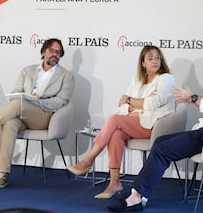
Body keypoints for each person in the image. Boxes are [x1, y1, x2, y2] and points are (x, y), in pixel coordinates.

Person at [107, 37, 203, 212]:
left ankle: (136, 198)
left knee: (161, 150)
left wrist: (194, 98)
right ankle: (137, 192)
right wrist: (193, 100)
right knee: (160, 142)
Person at [0, 38, 74, 188]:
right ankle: (2, 174)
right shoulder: (27, 70)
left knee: (19, 104)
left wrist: (39, 101)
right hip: (22, 112)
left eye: (58, 52)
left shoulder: (66, 76)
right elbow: (16, 92)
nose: (55, 54)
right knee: (9, 123)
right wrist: (24, 98)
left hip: (44, 116)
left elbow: (62, 101)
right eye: (52, 50)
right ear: (43, 52)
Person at [67, 45, 176, 199]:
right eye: (150, 58)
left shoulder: (166, 79)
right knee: (116, 134)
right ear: (143, 63)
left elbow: (153, 104)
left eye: (157, 57)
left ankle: (88, 160)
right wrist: (135, 105)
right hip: (135, 121)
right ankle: (115, 182)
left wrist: (131, 101)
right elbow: (123, 106)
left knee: (113, 119)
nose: (155, 61)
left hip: (153, 126)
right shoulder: (137, 81)